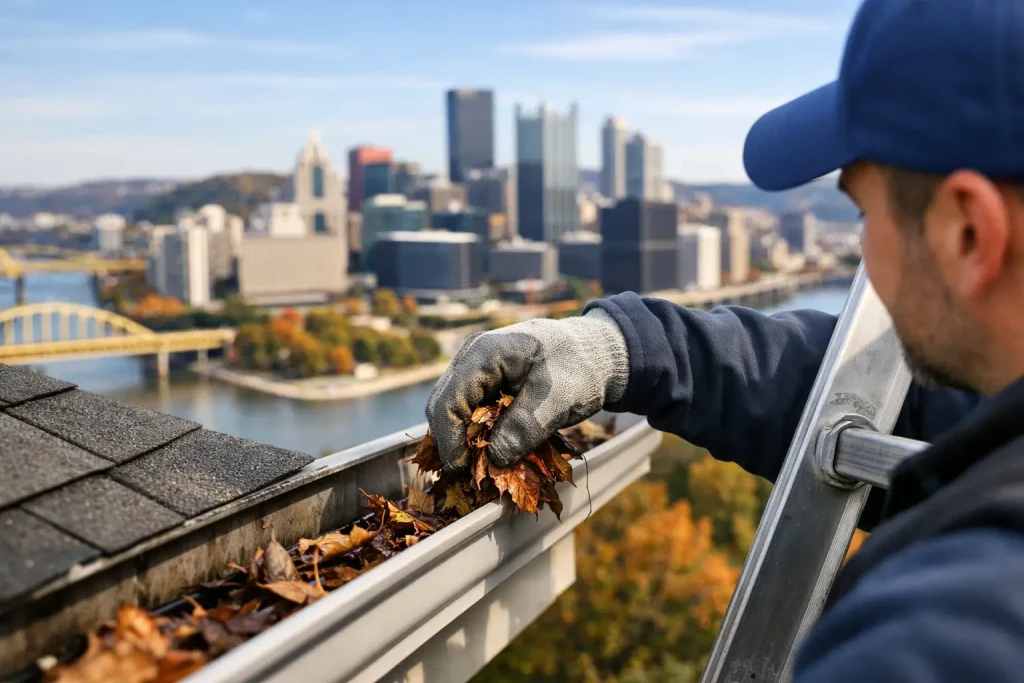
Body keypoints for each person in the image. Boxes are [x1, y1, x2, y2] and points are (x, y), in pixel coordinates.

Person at [427, 0, 1024, 680]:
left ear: (969, 233)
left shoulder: (936, 641)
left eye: (862, 212)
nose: (859, 246)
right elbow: (915, 412)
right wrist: (622, 348)